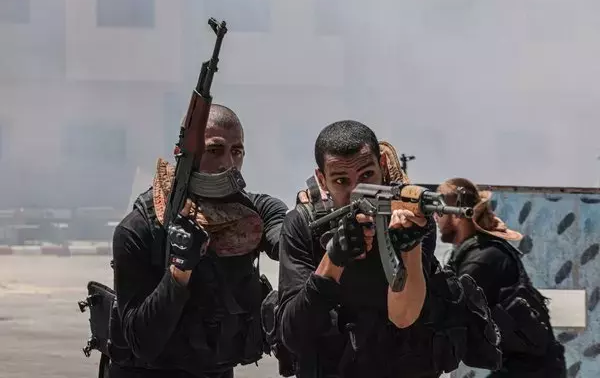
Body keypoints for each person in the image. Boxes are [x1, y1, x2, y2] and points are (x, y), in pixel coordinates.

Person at [274, 120, 502, 378]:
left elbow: (404, 316)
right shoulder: (303, 224)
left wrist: (409, 247)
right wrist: (335, 259)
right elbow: (293, 334)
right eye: (341, 180)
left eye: (367, 175)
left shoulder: (409, 215)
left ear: (382, 165)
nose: (356, 191)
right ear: (321, 180)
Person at [109, 104, 289, 378]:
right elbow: (141, 341)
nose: (228, 163)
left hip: (215, 370)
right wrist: (179, 271)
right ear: (184, 153)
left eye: (237, 151)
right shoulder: (140, 229)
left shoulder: (250, 213)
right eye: (214, 150)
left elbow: (283, 239)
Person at [436, 177, 566, 377]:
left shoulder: (483, 259)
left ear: (456, 214)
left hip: (531, 371)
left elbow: (449, 312)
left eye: (439, 211)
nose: (436, 218)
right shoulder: (473, 254)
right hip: (520, 367)